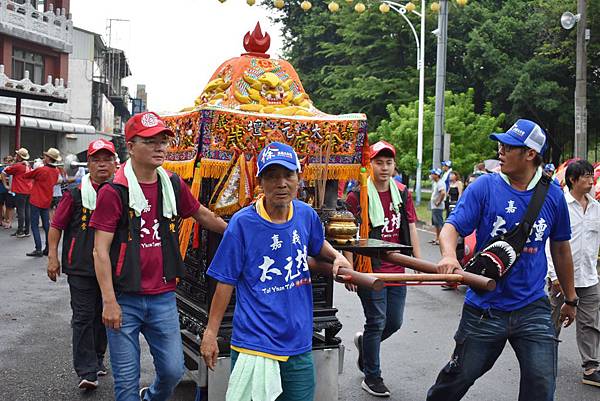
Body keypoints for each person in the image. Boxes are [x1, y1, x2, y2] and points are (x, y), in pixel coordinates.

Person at [427, 119, 578, 401]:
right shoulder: (484, 187)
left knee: (542, 383)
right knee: (458, 378)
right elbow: (452, 226)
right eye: (501, 144)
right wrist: (449, 256)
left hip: (532, 306)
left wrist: (570, 298)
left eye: (508, 146)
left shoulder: (553, 196)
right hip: (485, 305)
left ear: (530, 154)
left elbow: (561, 249)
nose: (500, 150)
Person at [91, 111, 227, 401]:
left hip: (163, 295)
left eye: (163, 141)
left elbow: (202, 214)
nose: (160, 147)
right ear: (130, 146)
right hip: (124, 297)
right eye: (150, 141)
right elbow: (100, 250)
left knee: (172, 371)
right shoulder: (114, 191)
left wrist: (239, 233)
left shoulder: (172, 184)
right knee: (126, 383)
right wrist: (109, 302)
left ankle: (151, 397)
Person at [200, 142, 352, 401]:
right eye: (272, 176)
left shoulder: (305, 215)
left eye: (288, 175)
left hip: (298, 341)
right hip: (254, 341)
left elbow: (317, 245)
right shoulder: (242, 224)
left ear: (298, 178)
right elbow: (224, 282)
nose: (281, 183)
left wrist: (338, 257)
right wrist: (211, 333)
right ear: (260, 182)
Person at [345, 140, 421, 397]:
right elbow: (349, 232)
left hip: (397, 267)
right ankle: (372, 376)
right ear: (370, 164)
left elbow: (410, 226)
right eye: (379, 162)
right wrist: (349, 267)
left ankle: (365, 347)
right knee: (376, 322)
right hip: (369, 267)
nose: (384, 167)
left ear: (394, 166)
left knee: (394, 322)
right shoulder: (358, 195)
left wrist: (419, 263)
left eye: (389, 163)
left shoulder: (402, 193)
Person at [47, 139, 118, 390]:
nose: (102, 164)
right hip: (81, 268)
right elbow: (56, 226)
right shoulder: (75, 194)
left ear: (115, 163)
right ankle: (86, 370)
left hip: (111, 269)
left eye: (106, 159)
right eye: (96, 159)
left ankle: (98, 359)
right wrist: (52, 256)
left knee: (104, 317)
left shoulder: (122, 193)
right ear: (88, 163)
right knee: (83, 317)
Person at [547, 159, 600, 387]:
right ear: (572, 179)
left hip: (589, 277)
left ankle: (591, 367)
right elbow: (550, 243)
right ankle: (544, 362)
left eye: (592, 176)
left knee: (590, 324)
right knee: (553, 320)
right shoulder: (560, 205)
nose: (591, 180)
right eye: (587, 176)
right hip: (562, 277)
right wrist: (554, 275)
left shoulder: (597, 208)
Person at [22, 148, 61, 257]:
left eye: (46, 157)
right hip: (47, 200)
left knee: (34, 225)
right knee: (46, 225)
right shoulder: (56, 170)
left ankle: (38, 248)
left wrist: (27, 166)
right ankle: (48, 247)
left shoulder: (42, 169)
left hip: (36, 200)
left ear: (48, 158)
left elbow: (26, 175)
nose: (44, 158)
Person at [2, 148, 32, 238]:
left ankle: (20, 231)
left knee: (21, 211)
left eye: (17, 155)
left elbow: (6, 171)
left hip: (20, 190)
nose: (15, 156)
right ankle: (26, 230)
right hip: (28, 190)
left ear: (19, 156)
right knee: (27, 210)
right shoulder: (28, 166)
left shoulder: (18, 166)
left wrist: (6, 186)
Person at [430, 168, 446, 245]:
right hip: (434, 206)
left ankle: (441, 239)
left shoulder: (440, 183)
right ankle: (437, 238)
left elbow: (443, 193)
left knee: (439, 223)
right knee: (436, 223)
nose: (431, 175)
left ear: (437, 175)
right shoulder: (435, 183)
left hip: (438, 207)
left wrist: (438, 201)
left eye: (433, 174)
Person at [0, 155, 16, 229]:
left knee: (9, 206)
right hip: (2, 190)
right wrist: (5, 184)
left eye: (10, 161)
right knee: (2, 205)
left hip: (11, 191)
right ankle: (2, 220)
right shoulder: (2, 168)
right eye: (6, 160)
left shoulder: (14, 168)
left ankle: (8, 221)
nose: (8, 162)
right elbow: (2, 176)